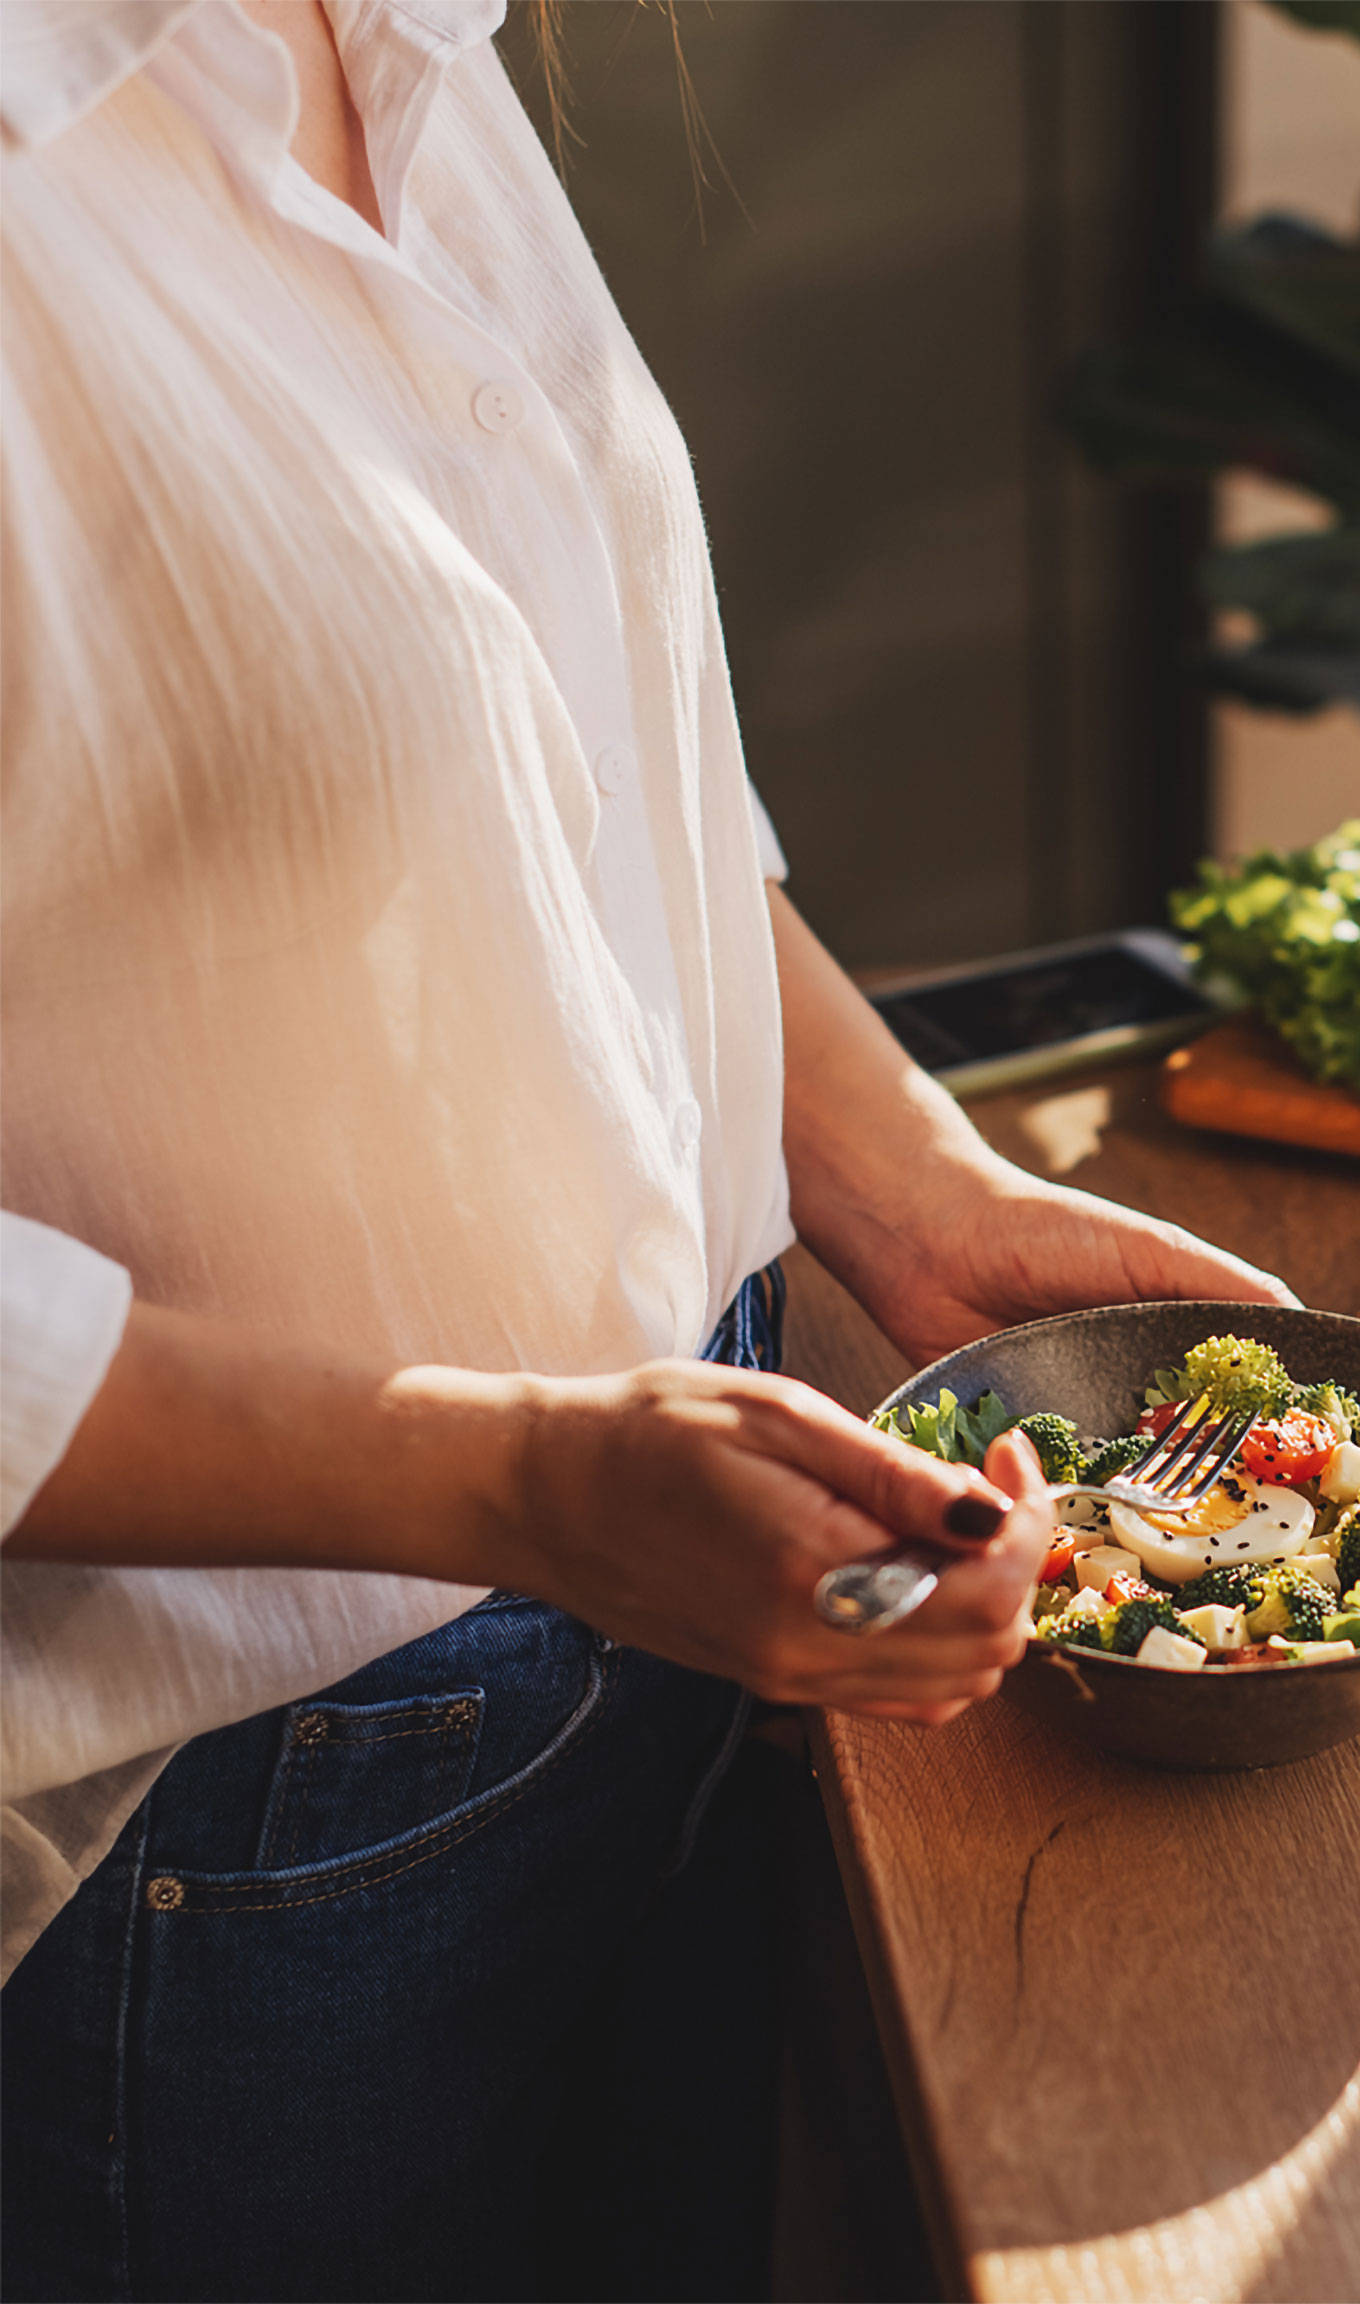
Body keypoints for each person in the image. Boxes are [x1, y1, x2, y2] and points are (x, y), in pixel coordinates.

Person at [0, 3, 1295, 2295]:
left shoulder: (388, 28)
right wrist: (507, 1481)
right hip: (261, 1792)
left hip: (697, 1592)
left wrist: (907, 1180)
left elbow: (574, 722)